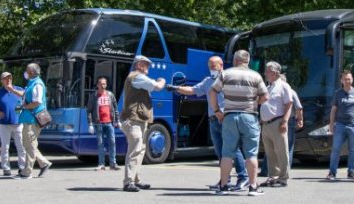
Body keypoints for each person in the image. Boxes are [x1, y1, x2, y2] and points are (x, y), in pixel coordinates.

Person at [166, 56, 249, 190]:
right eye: (209, 66)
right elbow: (193, 90)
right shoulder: (208, 81)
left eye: (213, 66)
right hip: (213, 120)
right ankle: (225, 179)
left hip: (225, 118)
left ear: (221, 65)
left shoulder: (229, 78)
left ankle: (243, 177)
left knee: (233, 148)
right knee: (220, 151)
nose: (210, 68)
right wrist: (176, 88)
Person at [209, 50, 269, 196]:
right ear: (247, 61)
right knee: (251, 154)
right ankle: (253, 187)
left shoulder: (226, 74)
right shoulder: (256, 75)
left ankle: (223, 186)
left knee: (227, 153)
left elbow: (212, 92)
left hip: (229, 116)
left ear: (235, 60)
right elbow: (265, 96)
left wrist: (217, 111)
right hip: (249, 116)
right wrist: (255, 102)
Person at [120, 55, 165, 192]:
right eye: (146, 65)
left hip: (139, 120)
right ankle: (128, 182)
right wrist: (162, 80)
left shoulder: (136, 77)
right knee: (135, 151)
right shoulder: (137, 77)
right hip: (133, 120)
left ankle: (135, 180)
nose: (149, 67)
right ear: (139, 65)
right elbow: (157, 86)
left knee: (140, 151)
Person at [7, 63, 52, 179]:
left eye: (26, 70)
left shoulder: (37, 84)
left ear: (31, 72)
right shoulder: (32, 83)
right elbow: (24, 94)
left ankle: (26, 172)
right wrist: (12, 90)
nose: (25, 72)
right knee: (30, 145)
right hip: (29, 119)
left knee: (29, 146)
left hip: (33, 120)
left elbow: (37, 102)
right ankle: (44, 163)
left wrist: (24, 107)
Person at [260, 74, 303, 177]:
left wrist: (299, 119)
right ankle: (270, 173)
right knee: (271, 150)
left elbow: (298, 107)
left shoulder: (289, 91)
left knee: (285, 148)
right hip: (270, 122)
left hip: (286, 121)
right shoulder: (269, 88)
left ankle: (283, 174)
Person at [0, 72, 26, 176]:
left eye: (9, 78)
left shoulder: (18, 89)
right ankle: (6, 168)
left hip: (18, 123)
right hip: (4, 124)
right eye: (5, 79)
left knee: (21, 146)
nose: (8, 80)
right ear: (2, 81)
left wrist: (12, 90)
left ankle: (22, 167)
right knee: (5, 147)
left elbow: (25, 95)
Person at [259, 62, 293, 188]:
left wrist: (284, 121)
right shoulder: (268, 87)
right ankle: (273, 176)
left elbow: (289, 104)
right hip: (266, 124)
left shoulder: (283, 86)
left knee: (282, 152)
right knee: (270, 152)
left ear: (275, 72)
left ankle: (283, 178)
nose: (265, 73)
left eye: (267, 71)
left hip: (277, 122)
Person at [327, 70, 354, 181]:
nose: (347, 81)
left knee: (353, 150)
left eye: (349, 79)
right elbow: (333, 110)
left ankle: (351, 172)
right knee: (336, 149)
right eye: (345, 79)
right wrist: (331, 124)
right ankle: (332, 172)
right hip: (340, 125)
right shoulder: (338, 93)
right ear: (341, 81)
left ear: (352, 80)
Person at [87, 76, 121, 171]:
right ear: (97, 85)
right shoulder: (93, 96)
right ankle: (101, 164)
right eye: (101, 84)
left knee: (112, 143)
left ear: (106, 85)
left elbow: (115, 108)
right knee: (100, 144)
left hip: (109, 123)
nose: (102, 86)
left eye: (104, 84)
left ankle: (113, 164)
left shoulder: (110, 95)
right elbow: (89, 111)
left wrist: (117, 120)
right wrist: (90, 124)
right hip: (98, 124)